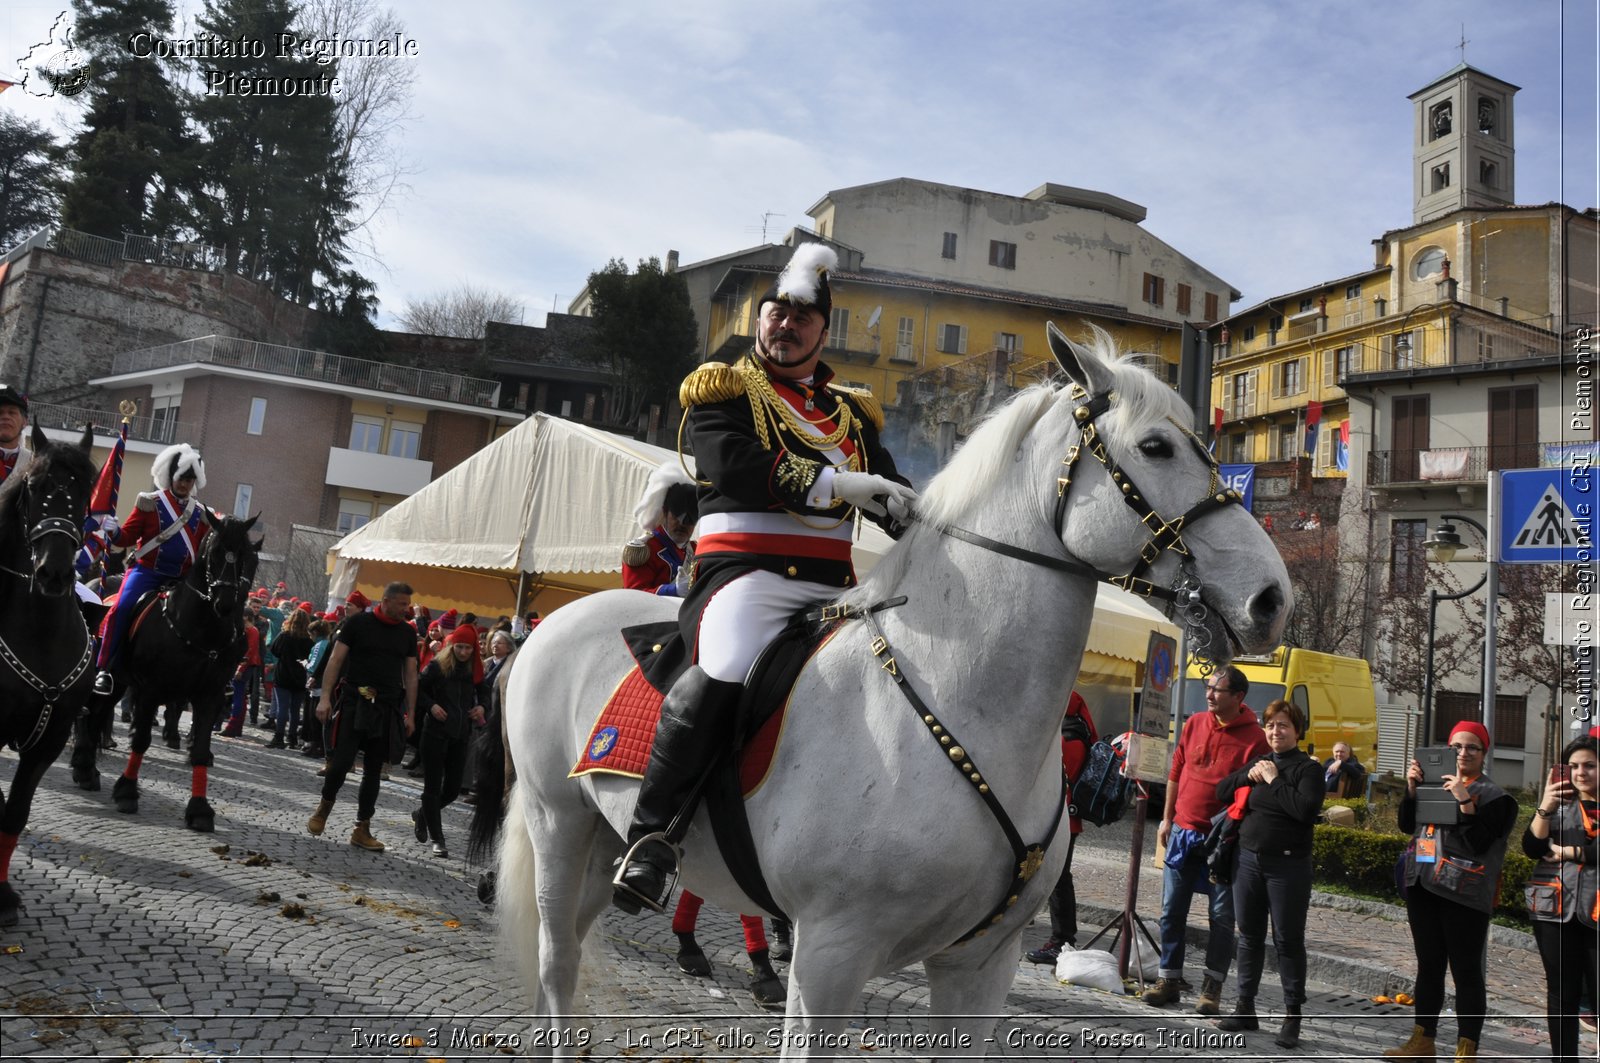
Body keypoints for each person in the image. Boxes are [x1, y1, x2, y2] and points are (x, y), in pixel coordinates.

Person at [612, 242, 916, 914]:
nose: (786, 326)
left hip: (834, 586)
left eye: (801, 319)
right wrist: (840, 482)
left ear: (822, 331)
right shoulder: (725, 389)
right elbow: (735, 464)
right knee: (723, 666)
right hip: (744, 577)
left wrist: (912, 510)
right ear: (759, 320)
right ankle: (650, 836)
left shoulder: (852, 415)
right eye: (776, 313)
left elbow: (891, 492)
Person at [1385, 721, 1517, 1060]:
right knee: (1429, 966)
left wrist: (1463, 800)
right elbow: (1406, 825)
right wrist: (1413, 789)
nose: (1462, 753)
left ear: (1484, 754)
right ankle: (1422, 1041)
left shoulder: (1497, 798)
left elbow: (1479, 841)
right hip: (1424, 886)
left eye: (1472, 747)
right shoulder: (1433, 784)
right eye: (1456, 746)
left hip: (1465, 894)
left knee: (1466, 971)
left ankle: (1466, 1049)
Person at [1143, 665, 1269, 1014]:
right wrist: (1167, 819)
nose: (1209, 694)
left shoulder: (1256, 739)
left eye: (1217, 689)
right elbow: (1176, 770)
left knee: (1221, 917)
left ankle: (1212, 989)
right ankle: (1168, 979)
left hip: (1224, 842)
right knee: (1171, 912)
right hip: (1183, 831)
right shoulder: (1195, 722)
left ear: (1238, 697)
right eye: (1208, 687)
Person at [1213, 700, 1324, 1049]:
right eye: (1271, 725)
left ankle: (1292, 1016)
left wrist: (1275, 781)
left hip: (1288, 867)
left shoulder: (1309, 770)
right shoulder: (1259, 763)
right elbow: (1221, 790)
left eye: (1284, 726)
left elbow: (1304, 811)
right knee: (1248, 936)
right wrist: (1248, 774)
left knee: (1288, 941)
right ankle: (1245, 1006)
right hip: (1248, 861)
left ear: (1298, 731)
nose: (1276, 731)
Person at [93, 443, 217, 696]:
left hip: (183, 580)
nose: (185, 484)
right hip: (147, 572)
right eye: (182, 478)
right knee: (122, 608)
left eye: (190, 479)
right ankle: (104, 668)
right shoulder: (150, 502)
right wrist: (114, 531)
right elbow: (125, 538)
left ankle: (212, 674)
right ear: (171, 477)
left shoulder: (203, 514)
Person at [306, 581, 419, 852]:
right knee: (342, 761)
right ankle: (324, 806)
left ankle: (362, 827)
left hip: (387, 707)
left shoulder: (407, 633)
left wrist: (411, 714)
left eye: (408, 604)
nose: (407, 609)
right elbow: (335, 660)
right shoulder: (357, 624)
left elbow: (412, 675)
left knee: (373, 771)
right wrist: (324, 698)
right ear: (386, 600)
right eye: (402, 604)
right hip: (355, 702)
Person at [1522, 734, 1600, 1063]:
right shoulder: (1559, 806)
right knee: (1562, 994)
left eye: (1590, 766)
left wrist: (1569, 851)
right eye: (1574, 766)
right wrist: (1545, 805)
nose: (1581, 773)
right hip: (1555, 911)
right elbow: (1531, 848)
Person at [1026, 690, 1099, 964]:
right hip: (1060, 817)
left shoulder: (1070, 737)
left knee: (1058, 880)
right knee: (1055, 878)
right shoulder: (1075, 732)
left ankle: (1062, 939)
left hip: (1061, 818)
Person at [410, 625, 489, 857]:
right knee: (432, 788)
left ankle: (422, 814)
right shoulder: (437, 666)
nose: (463, 652)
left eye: (468, 648)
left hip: (460, 734)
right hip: (434, 733)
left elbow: (485, 692)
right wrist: (431, 706)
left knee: (453, 790)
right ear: (452, 646)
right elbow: (417, 689)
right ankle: (438, 839)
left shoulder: (475, 670)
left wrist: (482, 706)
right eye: (460, 647)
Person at [268, 608, 314, 749]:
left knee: (283, 707)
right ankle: (292, 737)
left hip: (283, 675)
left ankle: (279, 736)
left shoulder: (285, 636)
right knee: (295, 710)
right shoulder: (309, 641)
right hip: (300, 677)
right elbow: (310, 659)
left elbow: (274, 649)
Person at [0, 383, 32, 486]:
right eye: (0, 413)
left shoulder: (32, 464)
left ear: (25, 421)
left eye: (12, 412)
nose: (5, 417)